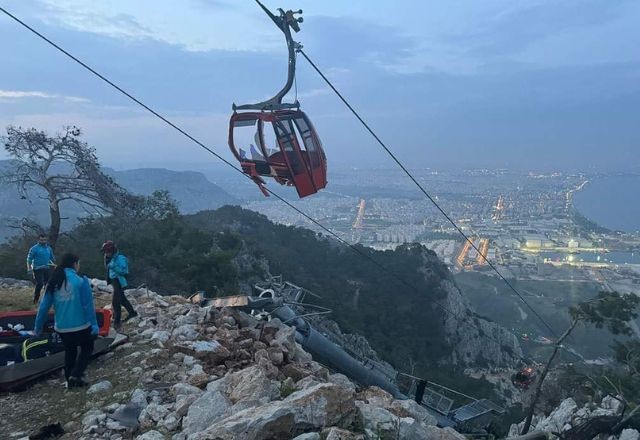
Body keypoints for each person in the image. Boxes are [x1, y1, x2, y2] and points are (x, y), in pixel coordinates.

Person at [34, 253, 98, 388]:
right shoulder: (81, 281)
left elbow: (44, 307)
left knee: (70, 351)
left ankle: (70, 382)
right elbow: (88, 306)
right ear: (75, 264)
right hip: (81, 325)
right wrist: (94, 324)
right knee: (87, 347)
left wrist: (38, 327)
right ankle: (77, 373)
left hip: (62, 327)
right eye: (78, 263)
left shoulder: (54, 281)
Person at [101, 241, 137, 328]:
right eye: (105, 252)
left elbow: (124, 271)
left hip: (119, 281)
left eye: (107, 251)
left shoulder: (121, 258)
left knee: (115, 302)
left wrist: (114, 267)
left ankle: (117, 322)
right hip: (113, 281)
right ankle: (132, 313)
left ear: (112, 251)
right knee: (122, 299)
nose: (106, 253)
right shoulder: (108, 259)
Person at [27, 233, 55, 304]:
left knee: (48, 284)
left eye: (45, 240)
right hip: (37, 268)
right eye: (41, 240)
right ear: (38, 240)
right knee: (40, 283)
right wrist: (29, 268)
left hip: (47, 268)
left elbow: (52, 258)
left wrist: (53, 264)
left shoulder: (49, 248)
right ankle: (36, 299)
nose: (43, 241)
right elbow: (29, 259)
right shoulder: (34, 249)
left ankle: (48, 300)